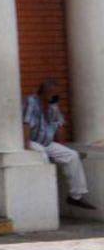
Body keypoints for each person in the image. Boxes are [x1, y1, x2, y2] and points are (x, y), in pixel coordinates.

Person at [24, 80, 95, 210]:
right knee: (42, 156)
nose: (55, 96)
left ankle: (76, 196)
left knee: (72, 155)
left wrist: (61, 145)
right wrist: (26, 143)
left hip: (47, 142)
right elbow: (26, 122)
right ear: (45, 92)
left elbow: (59, 126)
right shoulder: (31, 101)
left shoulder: (53, 106)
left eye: (56, 93)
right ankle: (45, 194)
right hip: (32, 141)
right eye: (53, 93)